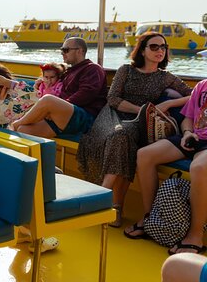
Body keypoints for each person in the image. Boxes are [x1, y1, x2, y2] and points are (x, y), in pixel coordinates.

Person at [77, 32, 191, 227]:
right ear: (143, 51)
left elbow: (195, 94)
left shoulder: (166, 78)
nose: (160, 50)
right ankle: (111, 202)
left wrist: (169, 104)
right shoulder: (126, 70)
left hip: (140, 123)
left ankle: (103, 197)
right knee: (121, 135)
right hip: (112, 115)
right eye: (154, 47)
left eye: (163, 47)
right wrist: (141, 110)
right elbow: (113, 98)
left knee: (123, 136)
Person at [126, 77, 207, 255]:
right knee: (145, 155)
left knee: (199, 168)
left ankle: (195, 235)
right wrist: (187, 133)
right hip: (194, 138)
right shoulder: (202, 85)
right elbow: (188, 118)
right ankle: (151, 218)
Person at [11, 37, 107, 138]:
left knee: (48, 99)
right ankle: (18, 129)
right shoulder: (68, 72)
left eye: (66, 50)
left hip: (84, 117)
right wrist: (40, 84)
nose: (62, 53)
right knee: (23, 130)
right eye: (62, 50)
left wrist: (56, 107)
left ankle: (14, 125)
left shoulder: (93, 69)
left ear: (79, 51)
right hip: (64, 116)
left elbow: (87, 93)